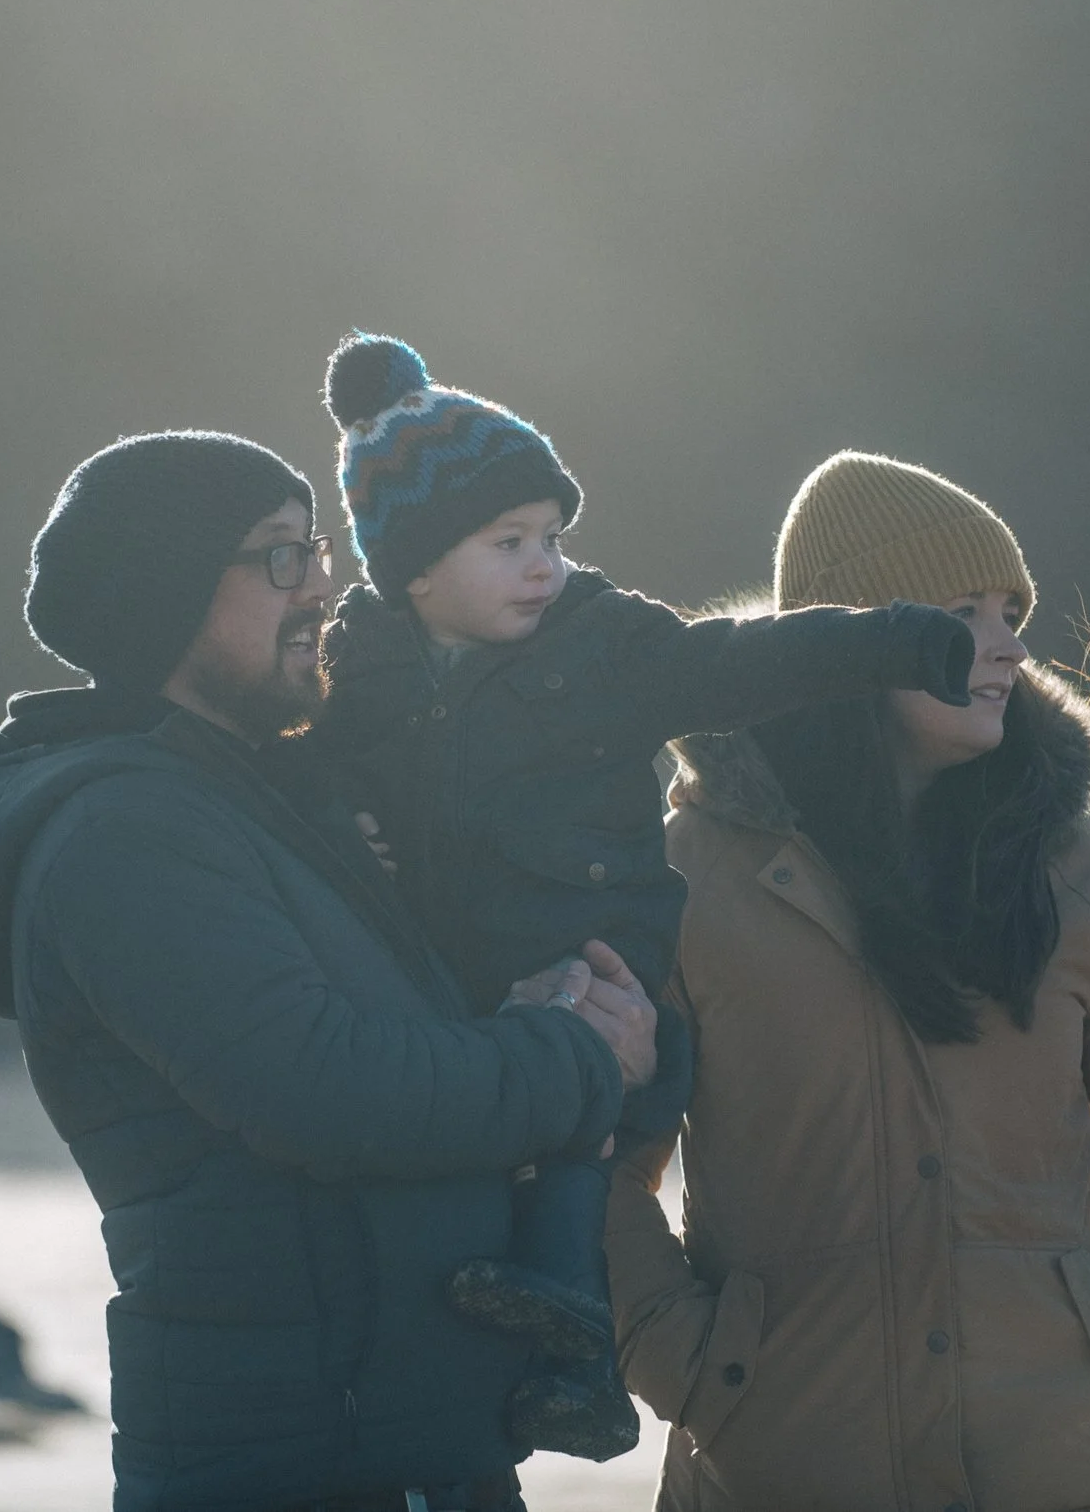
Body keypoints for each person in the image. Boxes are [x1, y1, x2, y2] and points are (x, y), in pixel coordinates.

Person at [0, 430, 657, 1512]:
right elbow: (324, 1089)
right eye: (278, 556)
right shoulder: (129, 833)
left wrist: (522, 1011)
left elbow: (369, 1038)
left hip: (391, 1444)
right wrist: (576, 1053)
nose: (321, 582)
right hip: (299, 1460)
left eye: (314, 548)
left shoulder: (256, 801)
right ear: (162, 591)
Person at [273, 336, 979, 1461]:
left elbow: (740, 659)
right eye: (508, 543)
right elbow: (299, 770)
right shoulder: (357, 669)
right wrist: (338, 822)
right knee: (462, 1172)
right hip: (445, 977)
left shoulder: (602, 645)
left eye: (551, 535)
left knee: (571, 1101)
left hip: (593, 946)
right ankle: (544, 1363)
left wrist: (893, 640)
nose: (544, 564)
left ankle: (582, 1348)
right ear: (412, 567)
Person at [605, 451, 1090, 1512]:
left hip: (1055, 1473)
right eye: (967, 609)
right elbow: (591, 1153)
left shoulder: (1073, 870)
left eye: (1014, 608)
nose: (1010, 641)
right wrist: (690, 1361)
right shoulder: (689, 878)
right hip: (778, 1473)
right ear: (852, 634)